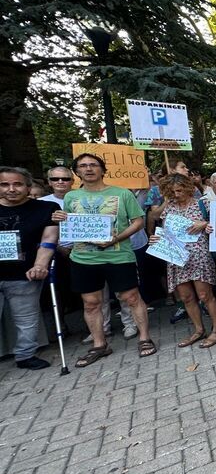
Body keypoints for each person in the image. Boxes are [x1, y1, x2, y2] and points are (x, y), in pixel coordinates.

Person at [53, 153, 155, 365]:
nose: (89, 169)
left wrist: (116, 238)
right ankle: (99, 345)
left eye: (93, 165)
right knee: (90, 303)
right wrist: (59, 218)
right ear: (77, 171)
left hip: (118, 255)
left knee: (131, 297)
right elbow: (70, 225)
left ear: (102, 169)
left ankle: (144, 338)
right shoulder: (71, 198)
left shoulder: (122, 193)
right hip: (83, 258)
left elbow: (137, 221)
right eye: (83, 166)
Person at [147, 174, 216, 348]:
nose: (176, 194)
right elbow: (161, 225)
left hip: (199, 255)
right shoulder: (170, 208)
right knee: (186, 297)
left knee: (205, 295)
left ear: (188, 188)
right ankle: (199, 330)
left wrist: (204, 224)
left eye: (180, 190)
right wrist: (156, 239)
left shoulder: (203, 203)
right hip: (176, 257)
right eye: (172, 191)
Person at [0, 166, 58, 369]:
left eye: (17, 184)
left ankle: (25, 355)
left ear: (28, 186)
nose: (11, 189)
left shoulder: (45, 209)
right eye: (5, 184)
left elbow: (49, 239)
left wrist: (40, 265)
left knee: (26, 318)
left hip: (25, 274)